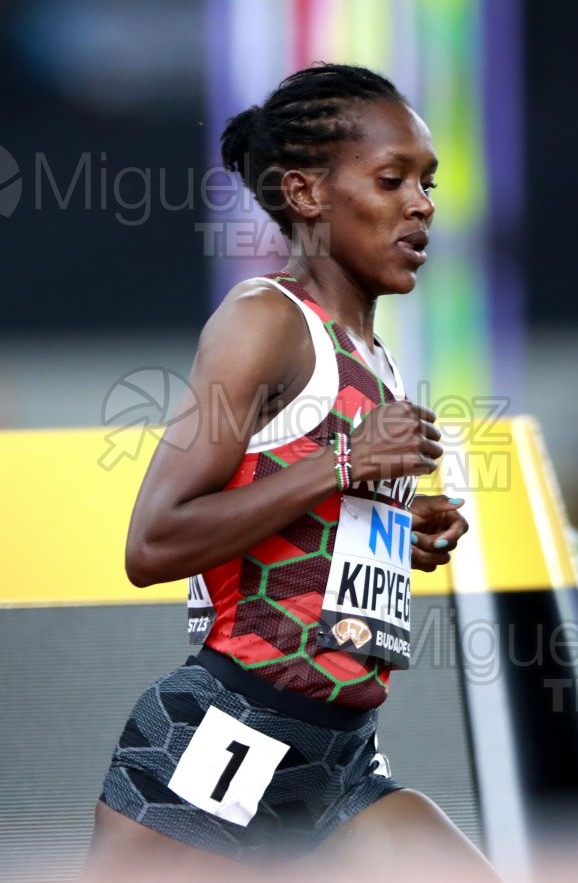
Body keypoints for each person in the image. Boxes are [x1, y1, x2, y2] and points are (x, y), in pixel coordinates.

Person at [82, 64, 498, 882]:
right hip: (223, 744)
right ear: (307, 194)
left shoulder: (374, 359)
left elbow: (292, 509)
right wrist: (347, 464)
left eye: (428, 182)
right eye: (392, 179)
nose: (423, 205)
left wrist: (388, 527)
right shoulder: (263, 320)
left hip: (339, 763)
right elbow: (154, 542)